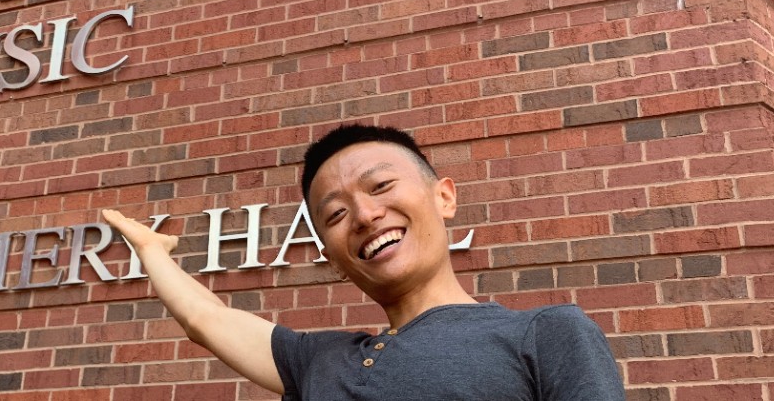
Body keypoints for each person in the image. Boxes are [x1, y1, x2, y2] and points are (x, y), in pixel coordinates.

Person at [102, 124, 625, 400]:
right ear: (332, 259)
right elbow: (206, 320)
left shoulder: (546, 334)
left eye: (381, 186)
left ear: (444, 197)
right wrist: (152, 253)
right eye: (335, 213)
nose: (365, 215)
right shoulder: (318, 363)